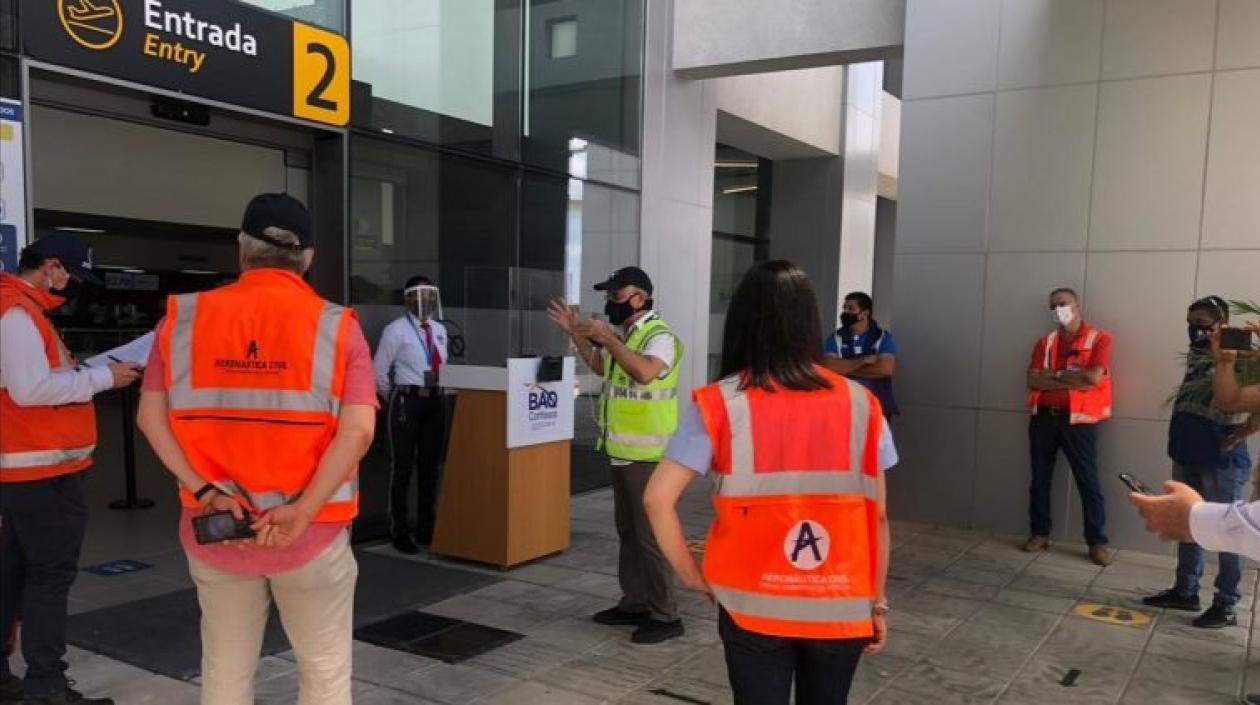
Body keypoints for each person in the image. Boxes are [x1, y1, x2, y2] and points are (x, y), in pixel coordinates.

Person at [136, 194, 377, 705]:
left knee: (225, 672)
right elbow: (357, 432)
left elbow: (149, 419)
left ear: (241, 252)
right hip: (311, 532)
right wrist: (304, 510)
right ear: (306, 258)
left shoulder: (180, 321)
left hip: (216, 528)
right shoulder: (337, 327)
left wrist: (205, 490)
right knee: (325, 673)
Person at [643, 261, 894, 705]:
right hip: (840, 601)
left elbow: (657, 500)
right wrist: (877, 602)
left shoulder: (720, 402)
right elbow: (878, 516)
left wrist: (695, 578)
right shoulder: (862, 405)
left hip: (751, 605)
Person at [0, 233, 140, 705]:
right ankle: (47, 686)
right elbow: (31, 389)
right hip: (41, 472)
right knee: (48, 576)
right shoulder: (16, 314)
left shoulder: (23, 312)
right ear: (51, 266)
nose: (71, 287)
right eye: (71, 276)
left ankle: (9, 677)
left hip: (30, 471)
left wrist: (88, 373)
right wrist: (104, 378)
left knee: (17, 572)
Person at [546, 266, 684, 644]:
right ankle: (635, 602)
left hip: (650, 457)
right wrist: (576, 333)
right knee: (629, 533)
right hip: (623, 452)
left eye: (616, 295)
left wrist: (608, 338)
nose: (610, 302)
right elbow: (603, 367)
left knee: (649, 537)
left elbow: (643, 373)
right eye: (607, 295)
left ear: (641, 297)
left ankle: (666, 613)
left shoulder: (659, 337)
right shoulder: (630, 335)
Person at [1139, 298, 1255, 629]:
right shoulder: (1197, 352)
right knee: (1188, 524)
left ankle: (1226, 604)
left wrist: (1241, 432)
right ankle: (1185, 590)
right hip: (1187, 450)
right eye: (1190, 321)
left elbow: (1246, 404)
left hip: (1221, 459)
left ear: (1223, 322)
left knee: (1230, 532)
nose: (1195, 328)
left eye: (1202, 322)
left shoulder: (1241, 356)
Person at [1024, 287, 1116, 566]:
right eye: (1053, 306)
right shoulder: (1046, 342)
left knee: (1088, 482)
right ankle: (1039, 533)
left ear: (1077, 306)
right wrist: (1070, 375)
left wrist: (1055, 375)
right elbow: (1033, 380)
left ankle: (1097, 542)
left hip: (1079, 423)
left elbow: (1091, 378)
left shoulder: (1099, 338)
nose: (1058, 310)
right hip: (1043, 419)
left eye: (1063, 304)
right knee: (1039, 480)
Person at [372, 276, 448, 554]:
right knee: (402, 467)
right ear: (407, 300)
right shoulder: (396, 330)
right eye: (419, 297)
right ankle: (399, 530)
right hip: (407, 400)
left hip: (436, 400)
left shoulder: (439, 329)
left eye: (430, 297)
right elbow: (379, 370)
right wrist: (392, 397)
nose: (425, 302)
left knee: (431, 468)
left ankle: (427, 528)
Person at [823, 292, 899, 418]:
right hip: (844, 406)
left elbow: (885, 369)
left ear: (865, 313)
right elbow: (828, 366)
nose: (845, 312)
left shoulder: (883, 337)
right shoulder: (835, 338)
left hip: (877, 407)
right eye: (844, 308)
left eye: (851, 309)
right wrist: (862, 361)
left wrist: (843, 369)